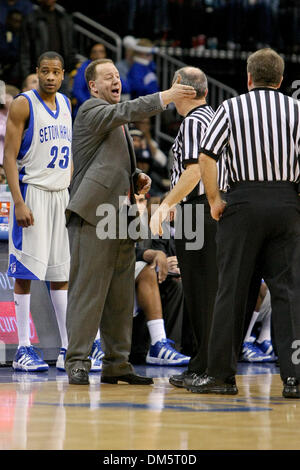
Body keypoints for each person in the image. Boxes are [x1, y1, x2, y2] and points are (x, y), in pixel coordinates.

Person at [64, 57, 196, 385]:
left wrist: (136, 176)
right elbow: (125, 111)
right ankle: (78, 360)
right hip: (93, 215)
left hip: (122, 217)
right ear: (92, 86)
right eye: (107, 77)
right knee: (88, 292)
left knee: (121, 298)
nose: (115, 80)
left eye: (117, 76)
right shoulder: (91, 111)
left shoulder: (116, 121)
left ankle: (117, 363)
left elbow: (108, 163)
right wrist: (165, 96)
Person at [194, 48, 300, 399]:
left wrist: (213, 199)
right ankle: (295, 377)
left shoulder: (230, 107)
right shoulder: (297, 109)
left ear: (249, 78)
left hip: (241, 202)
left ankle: (221, 376)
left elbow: (206, 155)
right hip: (287, 203)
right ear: (281, 79)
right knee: (289, 294)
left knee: (233, 291)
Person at [150, 66, 228, 390]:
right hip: (208, 209)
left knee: (201, 292)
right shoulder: (211, 118)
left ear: (181, 89)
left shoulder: (196, 121)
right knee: (205, 291)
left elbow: (195, 171)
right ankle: (202, 364)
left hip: (198, 211)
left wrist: (167, 204)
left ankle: (207, 366)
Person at [3, 51, 72, 372]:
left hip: (60, 196)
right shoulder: (23, 103)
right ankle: (23, 350)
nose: (50, 77)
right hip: (34, 193)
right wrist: (18, 201)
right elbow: (9, 157)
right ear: (37, 72)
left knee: (60, 274)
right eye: (44, 71)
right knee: (25, 272)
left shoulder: (68, 105)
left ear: (63, 75)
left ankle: (67, 348)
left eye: (55, 72)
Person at [20, 0, 76, 94]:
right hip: (39, 71)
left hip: (62, 70)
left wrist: (70, 66)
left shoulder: (63, 18)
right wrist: (27, 74)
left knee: (62, 103)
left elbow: (70, 44)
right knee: (37, 104)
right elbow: (24, 49)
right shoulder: (31, 19)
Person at [71, 42, 107, 117]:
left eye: (101, 52)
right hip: (86, 111)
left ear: (105, 54)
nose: (98, 55)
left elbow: (126, 87)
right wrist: (90, 106)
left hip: (104, 109)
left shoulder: (108, 67)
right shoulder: (84, 68)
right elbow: (77, 90)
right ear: (91, 55)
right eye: (95, 52)